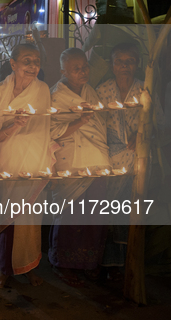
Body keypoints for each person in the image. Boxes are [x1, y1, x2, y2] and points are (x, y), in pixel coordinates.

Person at [0, 43, 53, 288]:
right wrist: (16, 126)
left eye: (36, 60)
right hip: (7, 161)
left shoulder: (43, 89)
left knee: (31, 220)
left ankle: (30, 266)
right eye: (27, 60)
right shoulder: (0, 90)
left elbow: (44, 130)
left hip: (32, 161)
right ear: (13, 64)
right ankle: (5, 269)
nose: (33, 66)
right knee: (8, 217)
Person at [96, 42, 164, 280]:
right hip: (108, 159)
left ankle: (128, 265)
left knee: (128, 209)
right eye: (119, 61)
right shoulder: (102, 90)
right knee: (107, 211)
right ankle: (108, 266)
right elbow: (95, 126)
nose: (124, 66)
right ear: (112, 65)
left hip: (137, 162)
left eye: (129, 61)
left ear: (137, 64)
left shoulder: (144, 91)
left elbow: (159, 124)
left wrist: (142, 133)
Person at [48, 48, 110, 286]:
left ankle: (89, 263)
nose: (83, 71)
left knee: (95, 214)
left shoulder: (90, 91)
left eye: (85, 66)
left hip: (96, 160)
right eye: (76, 68)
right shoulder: (55, 96)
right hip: (70, 162)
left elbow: (100, 124)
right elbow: (52, 132)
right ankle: (63, 264)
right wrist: (79, 121)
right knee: (70, 216)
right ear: (63, 71)